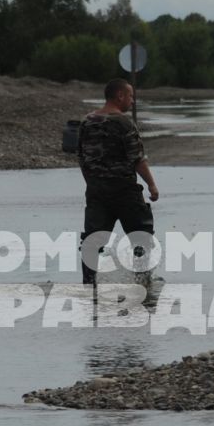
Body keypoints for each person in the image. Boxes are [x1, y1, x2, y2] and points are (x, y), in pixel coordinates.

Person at [77, 78, 159, 287]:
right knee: (142, 237)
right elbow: (138, 159)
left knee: (92, 241)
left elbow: (82, 157)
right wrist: (151, 185)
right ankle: (143, 283)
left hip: (97, 192)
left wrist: (93, 182)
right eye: (131, 96)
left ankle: (88, 285)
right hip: (125, 192)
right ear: (120, 96)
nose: (132, 101)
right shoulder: (123, 123)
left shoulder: (87, 122)